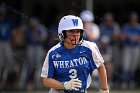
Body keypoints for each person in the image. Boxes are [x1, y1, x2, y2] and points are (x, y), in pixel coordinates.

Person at [41, 15, 109, 93]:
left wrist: (104, 89)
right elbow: (46, 80)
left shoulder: (89, 47)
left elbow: (100, 67)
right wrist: (64, 85)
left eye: (78, 31)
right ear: (62, 33)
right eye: (71, 31)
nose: (75, 35)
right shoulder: (53, 52)